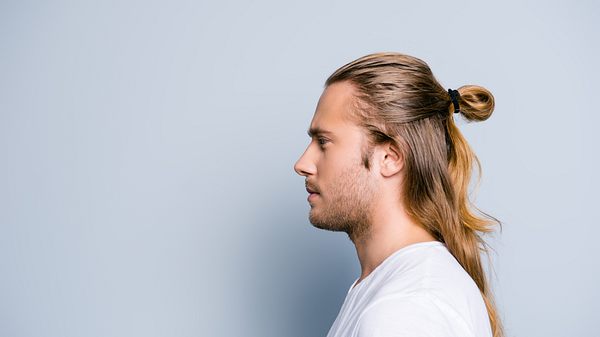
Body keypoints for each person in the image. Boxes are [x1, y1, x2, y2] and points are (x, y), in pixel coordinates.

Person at [293, 52, 504, 337]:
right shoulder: (392, 289)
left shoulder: (405, 310)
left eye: (323, 142)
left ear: (390, 157)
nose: (302, 164)